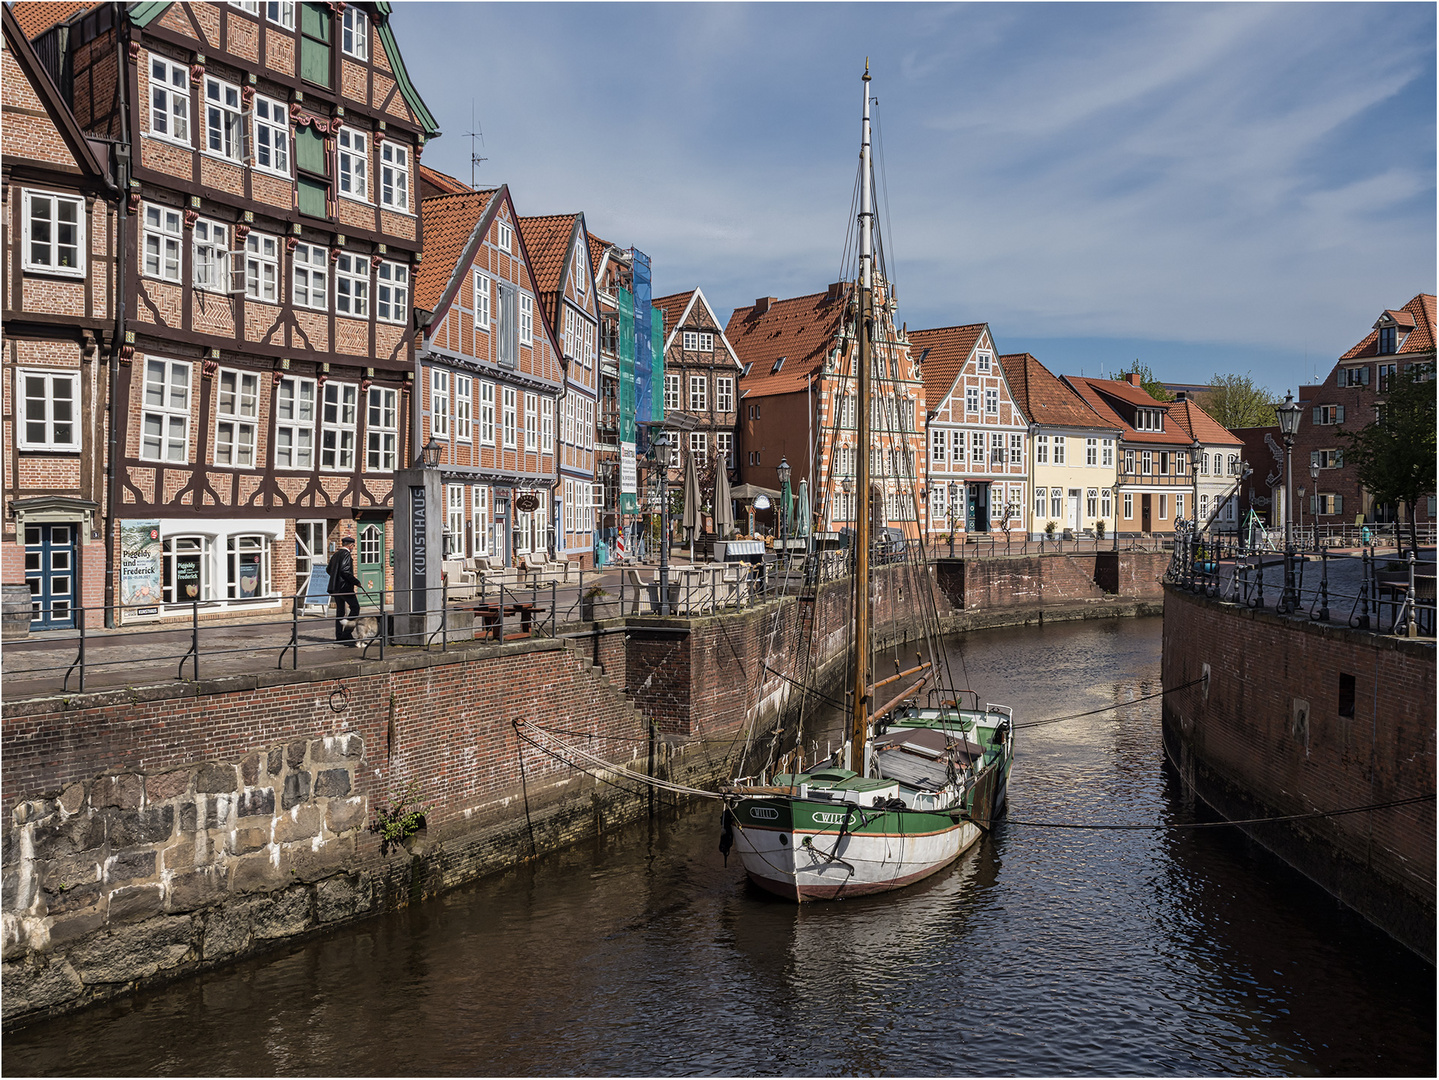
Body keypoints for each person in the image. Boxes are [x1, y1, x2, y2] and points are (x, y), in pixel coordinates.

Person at [327, 536, 360, 643]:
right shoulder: (346, 554)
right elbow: (345, 571)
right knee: (355, 608)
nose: (353, 548)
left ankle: (339, 635)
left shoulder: (336, 554)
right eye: (353, 546)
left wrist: (336, 578)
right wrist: (356, 581)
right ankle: (347, 633)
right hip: (345, 587)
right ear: (350, 545)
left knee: (340, 611)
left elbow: (328, 569)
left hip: (336, 588)